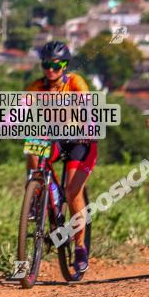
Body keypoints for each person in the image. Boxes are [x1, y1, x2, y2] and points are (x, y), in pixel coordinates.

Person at [25, 40, 94, 273]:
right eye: (46, 65)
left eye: (56, 65)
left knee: (73, 192)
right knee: (33, 146)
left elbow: (87, 107)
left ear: (65, 65)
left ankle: (81, 247)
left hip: (78, 141)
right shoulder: (37, 86)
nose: (50, 70)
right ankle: (38, 192)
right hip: (55, 139)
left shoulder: (75, 82)